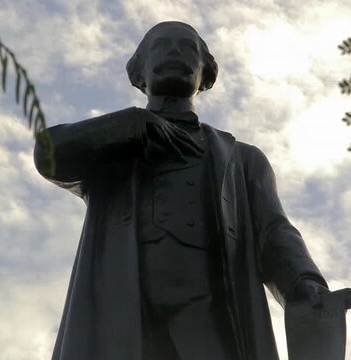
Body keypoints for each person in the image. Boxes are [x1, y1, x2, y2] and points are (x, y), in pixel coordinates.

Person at [34, 21, 333, 360]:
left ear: (206, 75)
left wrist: (303, 280)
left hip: (213, 313)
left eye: (187, 47)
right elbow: (49, 154)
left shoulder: (243, 159)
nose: (174, 52)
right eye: (161, 45)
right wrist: (130, 126)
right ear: (138, 73)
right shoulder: (111, 147)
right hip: (123, 308)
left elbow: (274, 231)